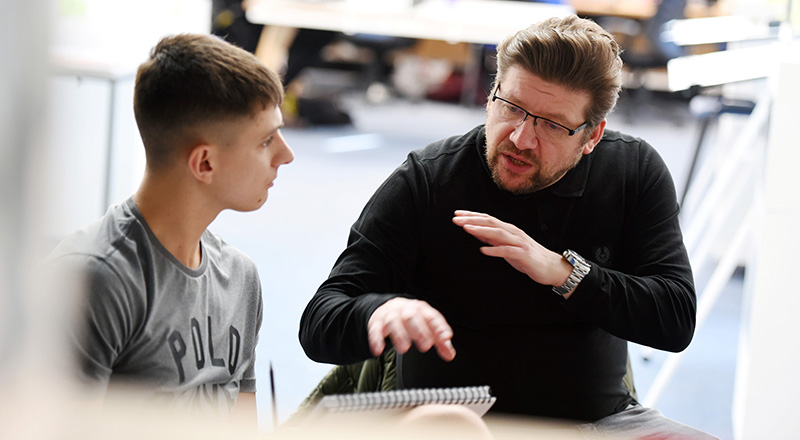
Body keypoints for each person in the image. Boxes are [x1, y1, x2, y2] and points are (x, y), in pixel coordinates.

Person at [299, 15, 715, 439]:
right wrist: (380, 311)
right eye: (511, 106)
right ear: (491, 94)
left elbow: (674, 319)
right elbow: (319, 323)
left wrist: (564, 272)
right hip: (450, 424)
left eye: (552, 124)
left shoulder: (632, 171)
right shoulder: (428, 179)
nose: (520, 138)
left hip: (596, 423)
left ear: (591, 137)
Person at [47, 33, 294, 423]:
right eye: (266, 141)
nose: (287, 155)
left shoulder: (241, 277)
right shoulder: (95, 277)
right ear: (204, 164)